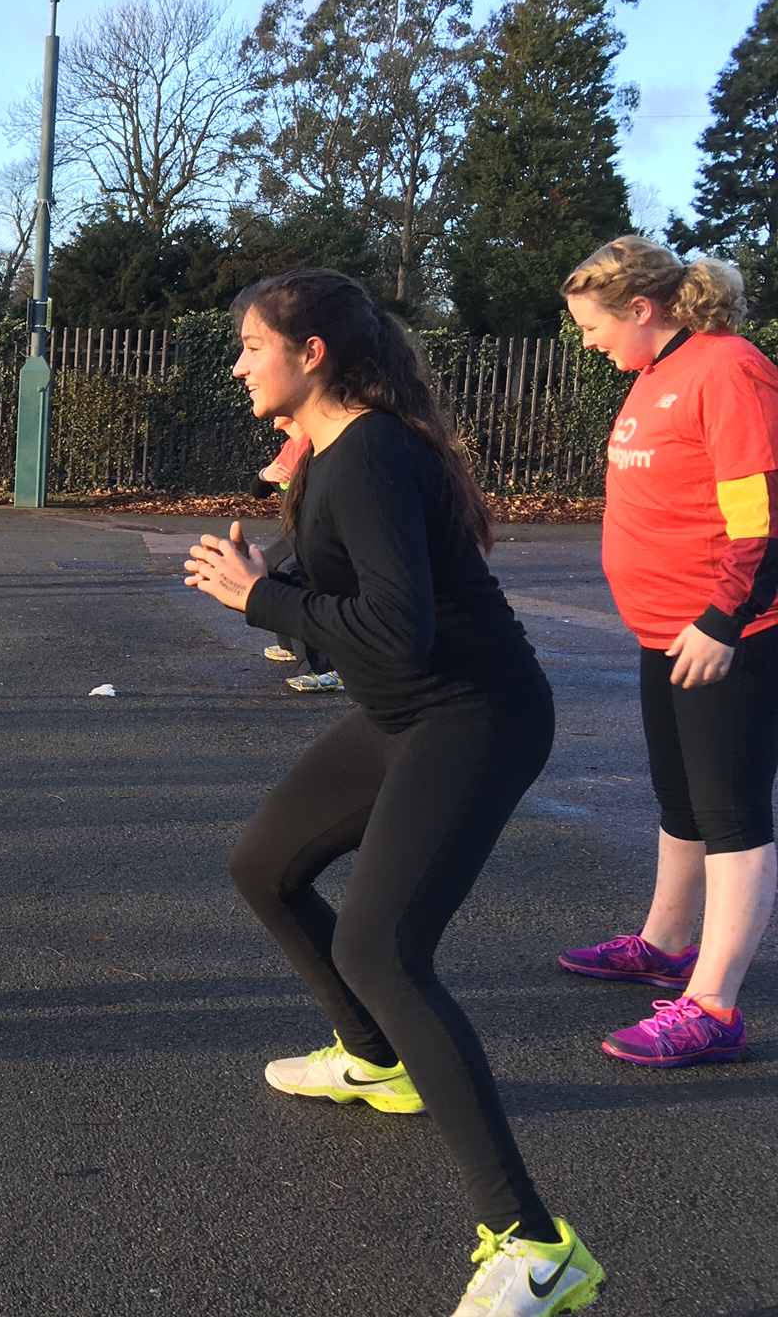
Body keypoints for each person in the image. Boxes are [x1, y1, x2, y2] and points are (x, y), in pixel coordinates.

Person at [184, 268, 602, 1315]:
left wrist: (261, 598)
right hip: (406, 713)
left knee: (382, 948)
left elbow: (395, 629)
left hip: (472, 716)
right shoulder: (334, 453)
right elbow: (341, 599)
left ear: (309, 353)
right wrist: (269, 581)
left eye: (249, 345)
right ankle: (376, 1061)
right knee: (265, 868)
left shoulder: (367, 453)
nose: (237, 362)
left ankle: (537, 1248)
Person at [557, 236, 776, 1070]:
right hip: (664, 630)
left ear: (641, 309)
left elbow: (763, 513)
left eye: (591, 326)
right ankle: (667, 943)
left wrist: (724, 620)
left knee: (733, 815)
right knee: (679, 800)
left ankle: (714, 1006)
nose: (588, 342)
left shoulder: (727, 369)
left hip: (729, 636)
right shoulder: (656, 373)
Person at [251, 417, 341, 692]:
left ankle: (325, 669)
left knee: (297, 576)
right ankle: (290, 645)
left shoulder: (316, 443)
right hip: (297, 531)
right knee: (266, 567)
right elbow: (257, 491)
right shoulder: (292, 444)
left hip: (322, 533)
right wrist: (265, 474)